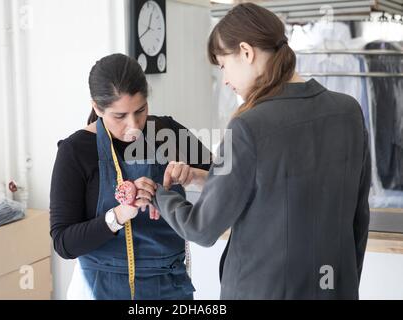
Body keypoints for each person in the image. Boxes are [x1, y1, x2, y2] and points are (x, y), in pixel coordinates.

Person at [152, 3, 371, 299]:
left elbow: (202, 228)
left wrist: (159, 194)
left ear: (246, 51)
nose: (225, 79)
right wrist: (202, 178)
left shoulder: (247, 125)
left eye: (222, 65)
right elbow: (357, 217)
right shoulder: (348, 112)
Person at [49, 53, 211, 300]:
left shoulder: (167, 132)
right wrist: (120, 214)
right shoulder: (75, 151)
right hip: (101, 286)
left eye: (141, 110)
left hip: (170, 285)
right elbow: (64, 243)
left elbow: (231, 184)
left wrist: (194, 177)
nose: (134, 124)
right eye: (120, 116)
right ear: (97, 107)